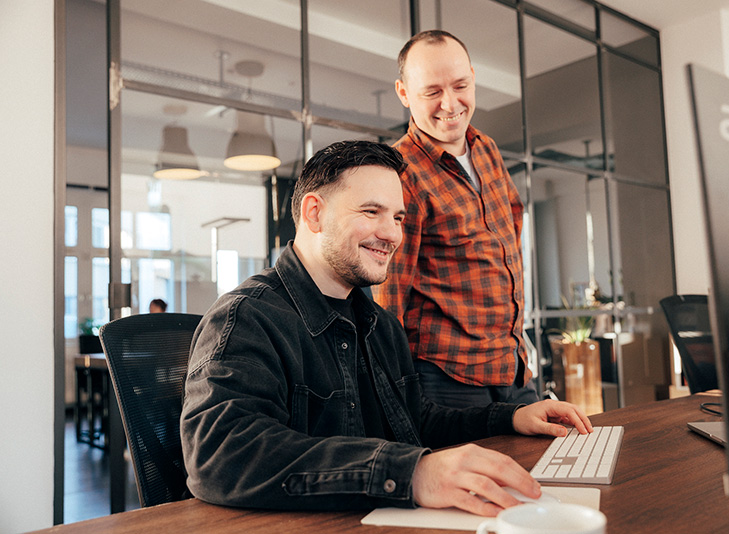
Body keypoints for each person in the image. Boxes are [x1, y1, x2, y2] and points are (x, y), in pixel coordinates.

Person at [180, 140, 592, 516]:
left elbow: (415, 420)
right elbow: (221, 453)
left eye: (397, 217)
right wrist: (411, 473)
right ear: (314, 213)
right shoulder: (246, 318)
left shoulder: (381, 325)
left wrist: (511, 417)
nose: (392, 234)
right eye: (371, 212)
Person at [372, 30, 535, 409]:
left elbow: (509, 238)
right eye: (432, 92)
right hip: (446, 380)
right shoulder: (400, 174)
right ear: (403, 93)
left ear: (474, 78)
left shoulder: (487, 149)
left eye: (460, 85)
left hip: (513, 368)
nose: (450, 103)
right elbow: (389, 297)